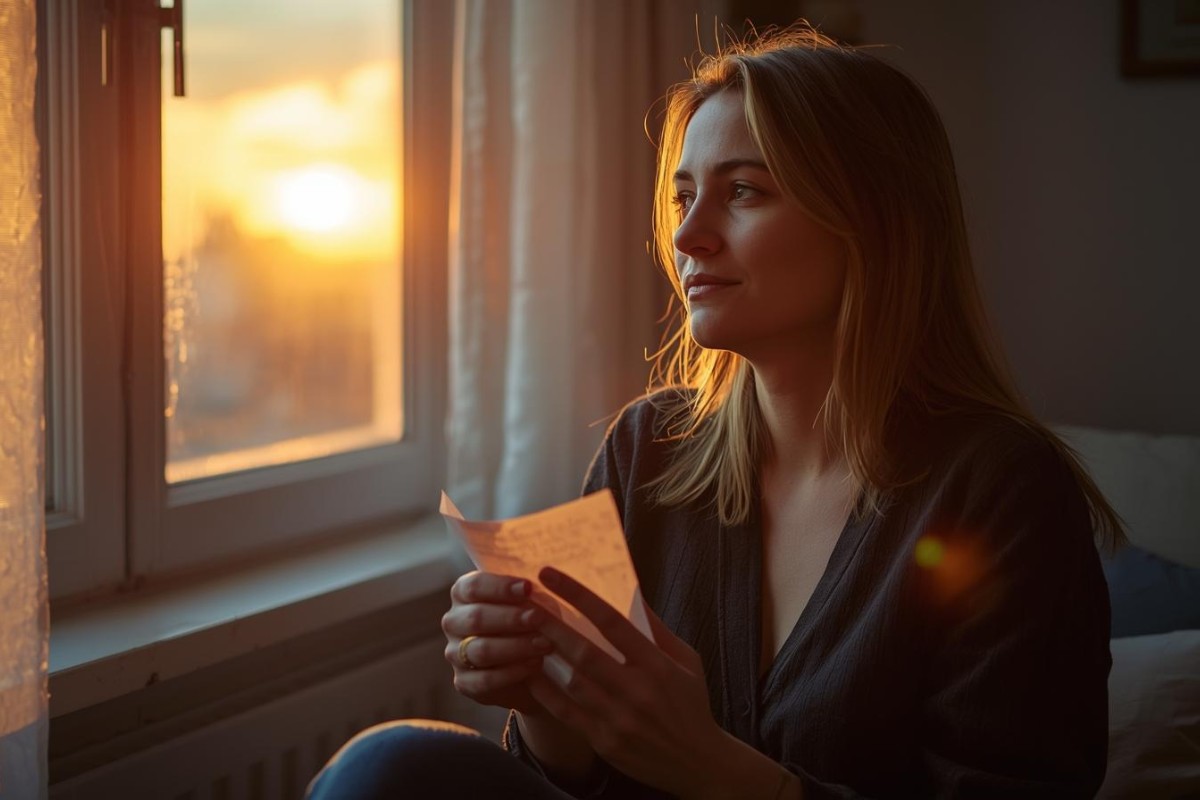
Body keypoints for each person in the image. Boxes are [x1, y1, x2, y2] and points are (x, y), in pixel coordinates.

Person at [307, 25, 1122, 800]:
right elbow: (564, 781)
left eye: (742, 192)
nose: (689, 237)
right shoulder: (649, 448)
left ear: (873, 223)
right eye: (684, 196)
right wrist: (547, 699)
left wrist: (713, 769)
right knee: (395, 765)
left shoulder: (1002, 493)